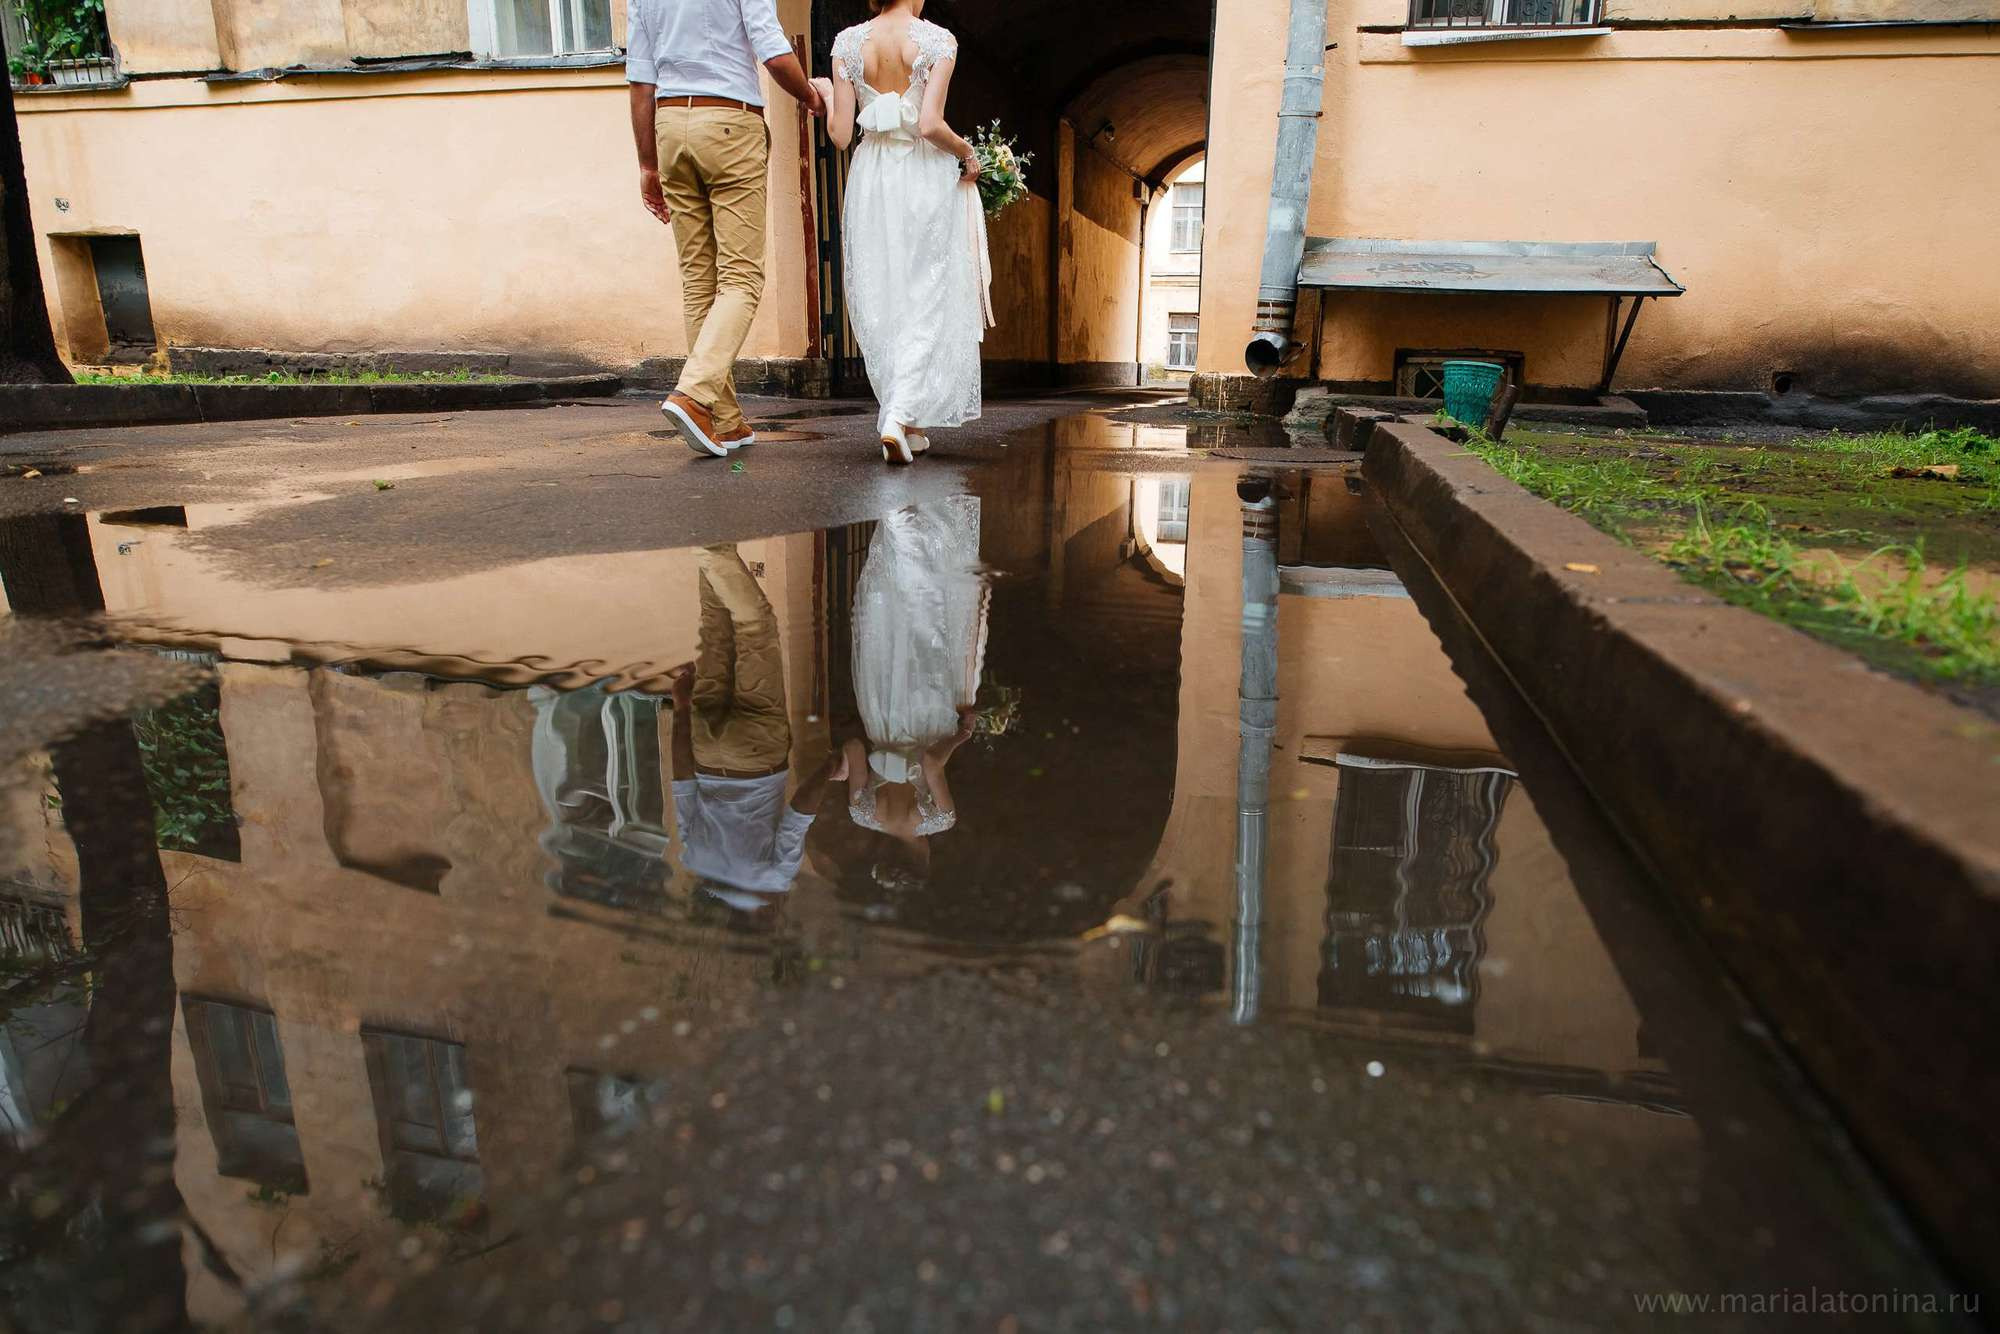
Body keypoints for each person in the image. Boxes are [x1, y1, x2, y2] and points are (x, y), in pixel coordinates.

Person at [627, 0, 826, 458]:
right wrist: (810, 96)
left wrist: (646, 163)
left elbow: (641, 80)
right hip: (730, 124)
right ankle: (695, 395)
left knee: (699, 279)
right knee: (741, 277)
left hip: (670, 124)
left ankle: (725, 419)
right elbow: (773, 51)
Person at [816, 0, 993, 466]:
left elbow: (839, 135)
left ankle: (907, 422)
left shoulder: (848, 42)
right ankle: (898, 416)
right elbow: (931, 125)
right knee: (926, 292)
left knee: (885, 292)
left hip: (872, 175)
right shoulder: (937, 40)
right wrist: (968, 152)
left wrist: (830, 95)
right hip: (922, 172)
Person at [669, 545, 844, 903]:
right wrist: (681, 707)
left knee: (757, 628)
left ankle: (712, 550)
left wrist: (830, 766)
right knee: (716, 627)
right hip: (706, 749)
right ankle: (711, 534)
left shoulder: (774, 880)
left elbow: (799, 814)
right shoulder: (698, 862)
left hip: (757, 753)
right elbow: (682, 780)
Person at [844, 497, 988, 871]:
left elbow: (931, 763)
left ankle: (907, 529)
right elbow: (854, 747)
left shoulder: (939, 821)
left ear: (921, 858)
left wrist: (963, 734)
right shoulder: (862, 814)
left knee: (929, 631)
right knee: (893, 633)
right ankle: (898, 530)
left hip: (927, 718)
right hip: (883, 716)